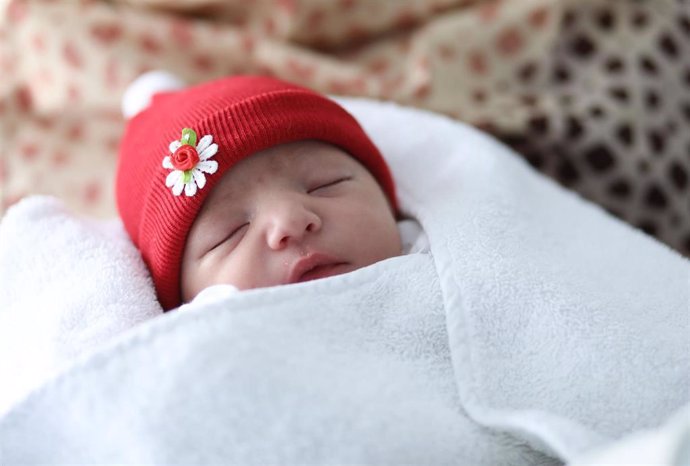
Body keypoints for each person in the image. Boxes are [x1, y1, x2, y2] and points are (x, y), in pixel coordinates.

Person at [116, 73, 426, 311]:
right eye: (231, 232)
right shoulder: (196, 351)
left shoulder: (445, 265)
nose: (290, 221)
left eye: (325, 185)